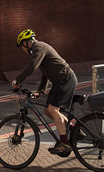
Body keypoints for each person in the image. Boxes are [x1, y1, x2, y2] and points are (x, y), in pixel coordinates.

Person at [11, 29, 78, 157]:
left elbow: (32, 66)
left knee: (53, 110)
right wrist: (40, 91)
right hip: (60, 82)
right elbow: (45, 73)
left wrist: (17, 80)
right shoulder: (39, 49)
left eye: (22, 46)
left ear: (26, 42)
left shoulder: (39, 47)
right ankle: (74, 129)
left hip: (66, 79)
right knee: (48, 110)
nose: (22, 50)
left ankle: (64, 142)